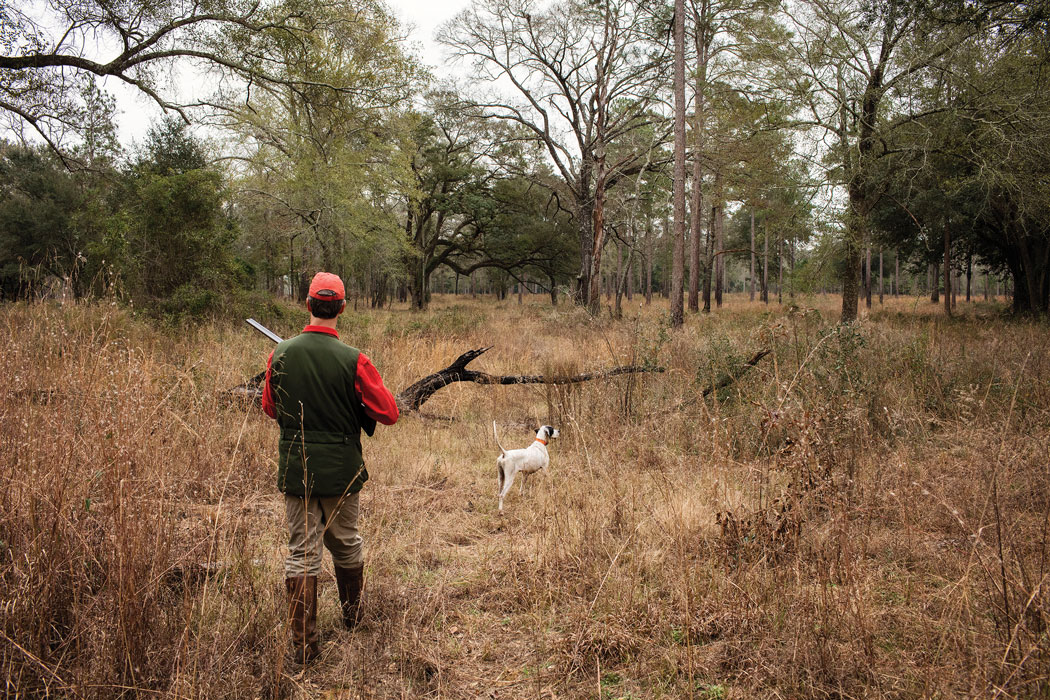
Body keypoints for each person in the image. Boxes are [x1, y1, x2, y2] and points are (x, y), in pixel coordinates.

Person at [261, 271, 399, 665]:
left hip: (296, 471)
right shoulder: (355, 359)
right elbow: (388, 413)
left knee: (301, 554)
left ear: (308, 305)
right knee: (347, 544)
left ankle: (304, 649)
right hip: (342, 472)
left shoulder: (280, 353)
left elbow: (271, 408)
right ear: (341, 307)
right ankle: (352, 619)